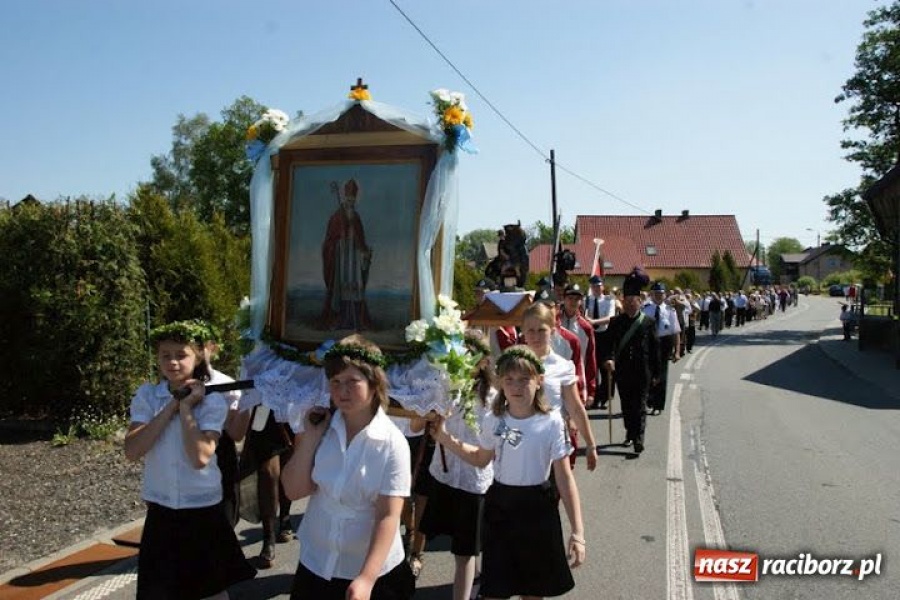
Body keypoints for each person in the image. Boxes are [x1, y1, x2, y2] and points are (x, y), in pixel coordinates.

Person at [433, 345, 585, 599]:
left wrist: (578, 533)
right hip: (501, 507)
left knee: (533, 591)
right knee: (495, 589)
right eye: (509, 380)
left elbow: (564, 478)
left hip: (537, 509)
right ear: (501, 383)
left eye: (524, 379)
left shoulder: (551, 422)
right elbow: (480, 458)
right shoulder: (495, 420)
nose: (516, 386)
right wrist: (445, 438)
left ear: (539, 381)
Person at [124, 321, 256, 599]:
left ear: (197, 357)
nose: (172, 362)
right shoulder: (148, 395)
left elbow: (200, 457)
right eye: (165, 355)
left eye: (181, 355)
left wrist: (186, 409)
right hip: (161, 507)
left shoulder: (211, 401)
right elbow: (133, 450)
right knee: (160, 592)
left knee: (210, 591)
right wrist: (171, 405)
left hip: (202, 509)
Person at [281, 336, 415, 600]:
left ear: (374, 384)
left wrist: (366, 579)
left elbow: (388, 516)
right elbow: (293, 491)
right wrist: (309, 439)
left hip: (370, 573)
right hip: (316, 563)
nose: (342, 391)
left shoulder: (392, 443)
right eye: (335, 382)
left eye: (353, 382)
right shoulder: (321, 427)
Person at [419, 333, 495, 600]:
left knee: (464, 553)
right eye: (459, 354)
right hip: (446, 475)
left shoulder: (492, 398)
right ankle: (476, 576)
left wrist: (445, 438)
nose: (463, 360)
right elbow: (418, 423)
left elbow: (490, 449)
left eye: (470, 355)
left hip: (474, 482)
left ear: (483, 361)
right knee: (458, 546)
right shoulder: (445, 388)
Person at [521, 301, 598, 472]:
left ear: (552, 331)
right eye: (531, 331)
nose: (536, 336)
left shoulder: (562, 366)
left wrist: (590, 444)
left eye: (542, 330)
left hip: (552, 445)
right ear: (523, 332)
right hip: (520, 445)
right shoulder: (512, 364)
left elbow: (575, 408)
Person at [602, 268, 661, 454]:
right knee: (627, 406)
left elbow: (655, 349)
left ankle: (638, 439)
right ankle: (630, 432)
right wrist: (609, 359)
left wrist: (657, 373)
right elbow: (608, 345)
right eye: (626, 301)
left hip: (643, 371)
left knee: (640, 406)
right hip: (623, 371)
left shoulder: (648, 322)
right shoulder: (616, 322)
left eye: (633, 301)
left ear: (639, 302)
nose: (629, 305)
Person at [243, 403, 295, 568]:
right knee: (268, 474)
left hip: (292, 409)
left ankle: (285, 519)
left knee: (287, 469)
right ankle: (269, 538)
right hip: (264, 413)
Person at [321, 178, 373, 330]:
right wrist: (339, 240)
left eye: (353, 199)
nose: (351, 202)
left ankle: (355, 320)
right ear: (345, 198)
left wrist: (364, 251)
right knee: (341, 289)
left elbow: (360, 238)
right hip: (341, 258)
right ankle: (340, 319)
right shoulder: (336, 217)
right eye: (349, 199)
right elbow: (329, 240)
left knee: (354, 289)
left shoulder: (356, 218)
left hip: (354, 259)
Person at [643, 282, 680, 415]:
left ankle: (658, 405)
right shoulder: (645, 309)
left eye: (661, 293)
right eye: (656, 293)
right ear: (651, 294)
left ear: (665, 295)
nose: (658, 296)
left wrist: (677, 351)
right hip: (649, 343)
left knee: (662, 375)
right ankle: (649, 400)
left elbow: (675, 332)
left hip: (664, 343)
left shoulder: (670, 310)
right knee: (647, 373)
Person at [585, 275, 617, 409]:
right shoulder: (587, 300)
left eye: (598, 286)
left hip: (605, 336)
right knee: (593, 367)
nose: (596, 289)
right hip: (591, 336)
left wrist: (593, 321)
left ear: (602, 287)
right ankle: (594, 397)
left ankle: (605, 396)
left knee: (606, 368)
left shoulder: (609, 300)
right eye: (594, 286)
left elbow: (610, 317)